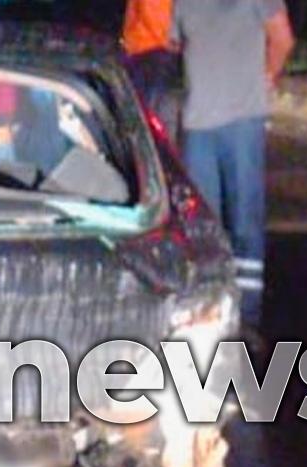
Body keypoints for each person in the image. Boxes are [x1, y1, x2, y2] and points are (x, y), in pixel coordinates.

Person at [173, 0, 294, 316]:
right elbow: (175, 44)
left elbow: (282, 39)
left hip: (242, 122)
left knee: (245, 223)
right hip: (198, 126)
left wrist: (267, 76)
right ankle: (208, 305)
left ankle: (248, 312)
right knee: (202, 227)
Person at [122, 0, 180, 140]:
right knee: (153, 119)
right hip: (153, 50)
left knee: (142, 116)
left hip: (141, 50)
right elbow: (155, 17)